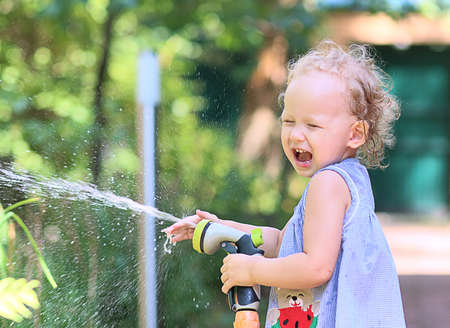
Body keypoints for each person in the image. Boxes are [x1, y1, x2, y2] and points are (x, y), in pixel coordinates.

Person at [164, 40, 406, 328]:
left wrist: (254, 270)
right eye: (288, 121)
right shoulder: (350, 179)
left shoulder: (328, 183)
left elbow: (316, 267)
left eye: (312, 125)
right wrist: (223, 228)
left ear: (355, 134)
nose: (295, 135)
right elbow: (283, 243)